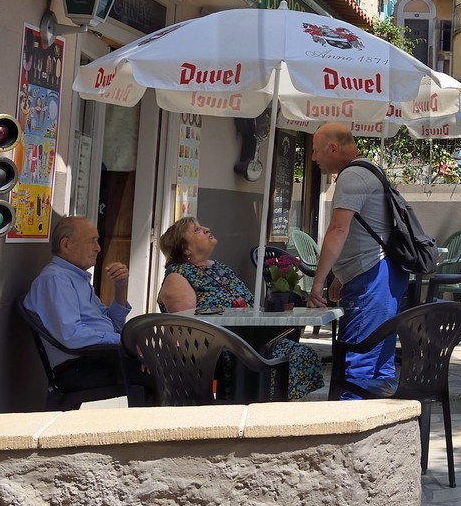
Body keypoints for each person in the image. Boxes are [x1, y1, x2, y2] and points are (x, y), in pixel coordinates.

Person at [155, 216, 324, 400]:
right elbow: (186, 327)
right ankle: (262, 408)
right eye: (196, 230)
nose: (206, 229)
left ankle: (270, 408)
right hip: (220, 349)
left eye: (202, 226)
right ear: (185, 248)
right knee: (291, 357)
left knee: (301, 353)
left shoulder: (219, 268)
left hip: (251, 341)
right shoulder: (178, 276)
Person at [308, 122, 409, 399]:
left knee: (357, 369)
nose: (313, 158)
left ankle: (349, 442)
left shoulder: (352, 177)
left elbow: (339, 229)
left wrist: (318, 282)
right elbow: (374, 229)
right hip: (384, 273)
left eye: (316, 151)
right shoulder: (371, 171)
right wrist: (342, 275)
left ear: (332, 148)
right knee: (379, 367)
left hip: (372, 278)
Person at [23, 215, 133, 396]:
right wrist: (126, 343)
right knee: (163, 371)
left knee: (163, 364)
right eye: (92, 241)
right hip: (80, 366)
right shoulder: (56, 279)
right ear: (66, 245)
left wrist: (120, 288)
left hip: (99, 357)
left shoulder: (76, 277)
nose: (98, 248)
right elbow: (72, 335)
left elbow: (113, 325)